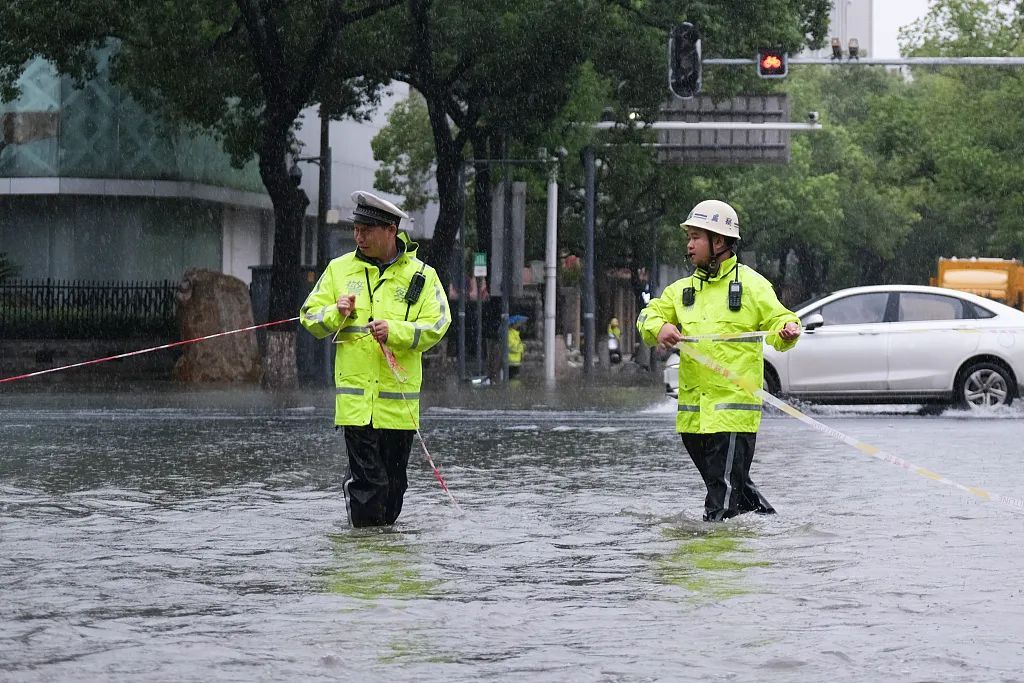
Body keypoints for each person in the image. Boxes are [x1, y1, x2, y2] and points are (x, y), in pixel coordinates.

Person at [636, 199, 801, 522]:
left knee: (721, 501)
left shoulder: (753, 286)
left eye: (696, 237)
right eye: (689, 237)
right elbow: (647, 317)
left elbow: (781, 321)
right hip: (693, 421)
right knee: (729, 486)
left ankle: (713, 558)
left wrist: (787, 332)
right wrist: (660, 328)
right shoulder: (681, 291)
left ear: (720, 241)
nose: (689, 244)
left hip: (732, 418)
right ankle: (775, 529)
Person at [299, 191, 451, 527]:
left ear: (391, 230)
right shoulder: (338, 270)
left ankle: (384, 565)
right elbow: (309, 316)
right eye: (356, 228)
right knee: (370, 488)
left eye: (367, 230)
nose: (359, 236)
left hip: (398, 409)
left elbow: (439, 323)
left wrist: (395, 332)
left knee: (394, 492)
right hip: (356, 407)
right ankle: (361, 561)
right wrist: (334, 312)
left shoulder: (422, 276)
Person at [507, 315, 527, 379]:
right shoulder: (509, 333)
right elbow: (512, 346)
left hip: (516, 362)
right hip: (511, 363)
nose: (520, 325)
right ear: (514, 324)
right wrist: (522, 347)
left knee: (515, 381)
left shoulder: (515, 333)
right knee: (513, 382)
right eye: (518, 323)